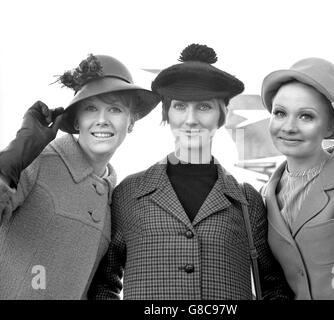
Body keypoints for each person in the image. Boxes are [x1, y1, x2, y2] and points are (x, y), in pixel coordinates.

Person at [88, 44, 293, 300]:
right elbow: (103, 284)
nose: (191, 119)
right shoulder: (129, 193)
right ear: (167, 113)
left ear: (223, 114)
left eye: (204, 107)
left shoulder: (247, 201)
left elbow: (274, 287)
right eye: (180, 106)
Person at [0, 54, 160, 299]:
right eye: (91, 108)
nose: (102, 120)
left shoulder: (112, 199)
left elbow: (99, 288)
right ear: (76, 121)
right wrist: (15, 154)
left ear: (131, 122)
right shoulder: (39, 162)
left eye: (115, 109)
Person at [260, 57, 334, 299]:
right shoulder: (265, 196)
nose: (289, 127)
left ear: (329, 126)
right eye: (280, 113)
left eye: (306, 116)